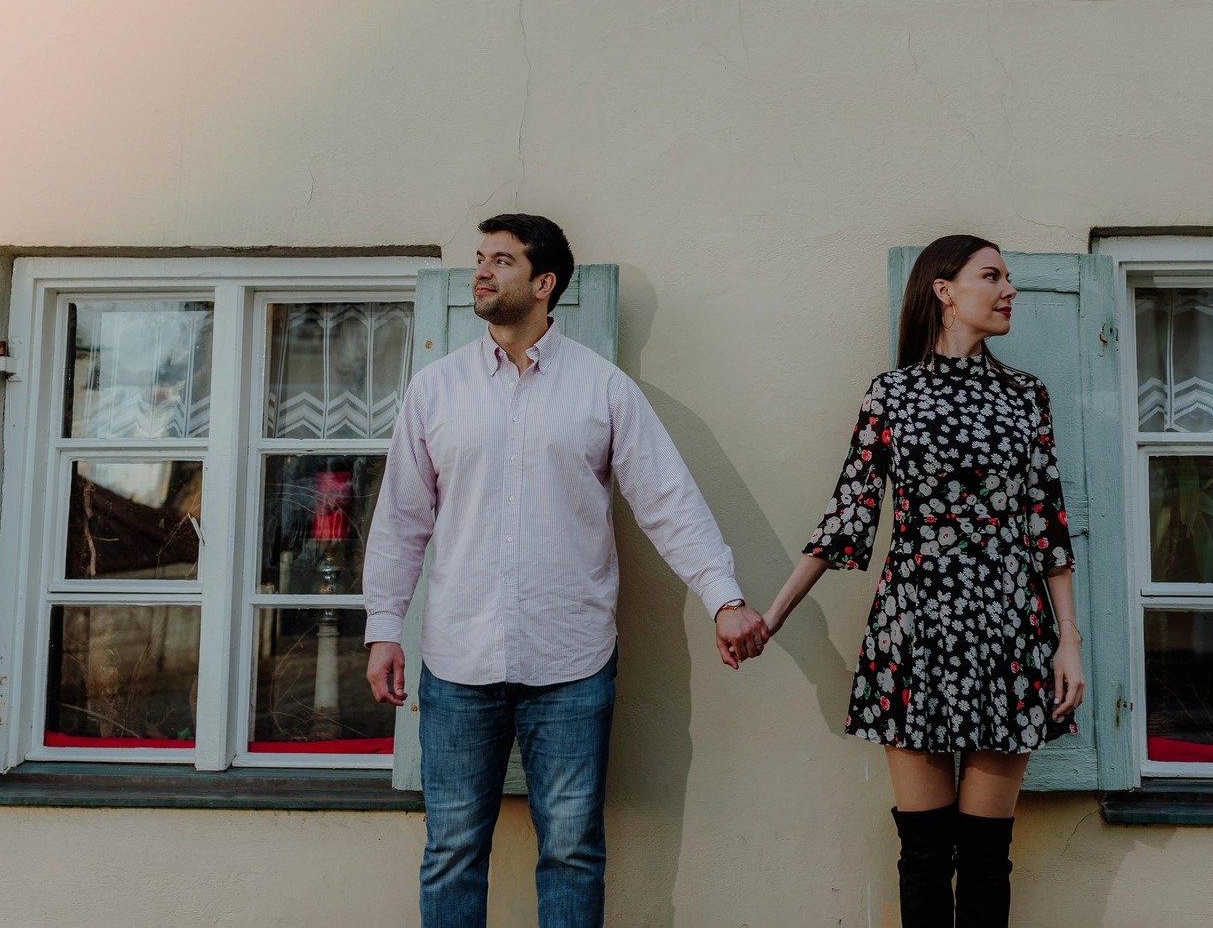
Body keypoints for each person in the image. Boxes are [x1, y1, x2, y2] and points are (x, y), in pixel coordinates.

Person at [363, 213, 769, 928]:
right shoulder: (436, 390)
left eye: (503, 260)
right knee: (453, 850)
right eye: (479, 258)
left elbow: (669, 500)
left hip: (573, 667)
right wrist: (384, 626)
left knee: (574, 852)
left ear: (545, 283)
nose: (481, 272)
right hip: (458, 664)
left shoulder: (603, 390)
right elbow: (401, 520)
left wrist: (724, 598)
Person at [762, 235, 1085, 927]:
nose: (1009, 290)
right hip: (915, 632)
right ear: (943, 289)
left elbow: (1047, 526)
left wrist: (1070, 641)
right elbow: (848, 513)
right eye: (992, 275)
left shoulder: (1026, 397)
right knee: (924, 854)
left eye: (1008, 277)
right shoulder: (893, 394)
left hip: (1008, 633)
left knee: (988, 854)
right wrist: (774, 615)